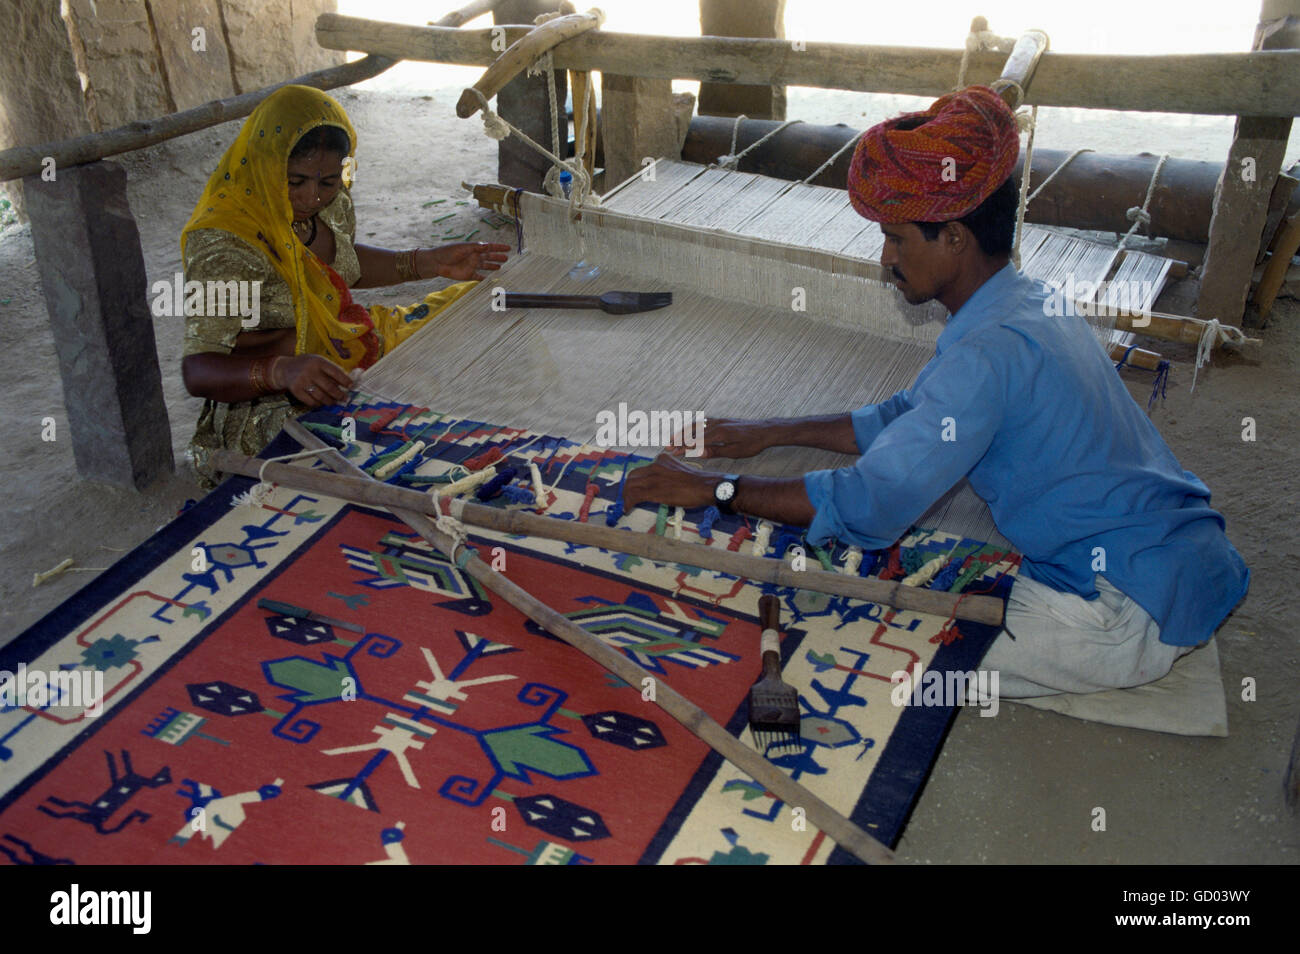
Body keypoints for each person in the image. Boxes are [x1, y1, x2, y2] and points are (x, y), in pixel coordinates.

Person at [624, 85, 1249, 698]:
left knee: (861, 642)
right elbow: (911, 413)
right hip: (1184, 557)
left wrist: (715, 490)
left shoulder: (984, 355)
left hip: (1120, 615)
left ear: (953, 237)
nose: (884, 258)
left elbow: (872, 502)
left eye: (897, 239)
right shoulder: (1030, 301)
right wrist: (773, 432)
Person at [180, 84, 510, 486]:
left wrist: (428, 261)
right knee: (376, 461)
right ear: (266, 164)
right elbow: (197, 371)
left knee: (479, 307)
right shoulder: (225, 241)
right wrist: (280, 371)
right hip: (275, 398)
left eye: (327, 182)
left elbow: (340, 264)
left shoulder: (326, 205)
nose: (311, 197)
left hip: (339, 344)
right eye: (295, 181)